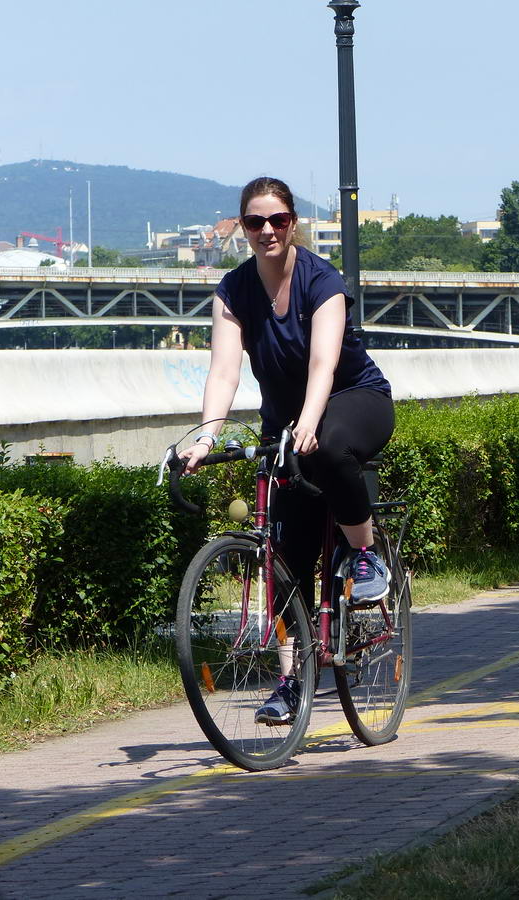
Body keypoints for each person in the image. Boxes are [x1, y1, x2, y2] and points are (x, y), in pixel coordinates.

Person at [179, 176, 395, 725]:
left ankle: (365, 556)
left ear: (293, 222)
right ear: (242, 229)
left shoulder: (322, 280)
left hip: (353, 399)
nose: (267, 230)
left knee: (328, 449)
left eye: (277, 220)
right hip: (285, 422)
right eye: (255, 222)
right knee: (286, 565)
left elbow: (323, 365)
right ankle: (290, 683)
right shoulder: (233, 290)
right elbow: (225, 370)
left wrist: (310, 421)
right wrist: (207, 433)